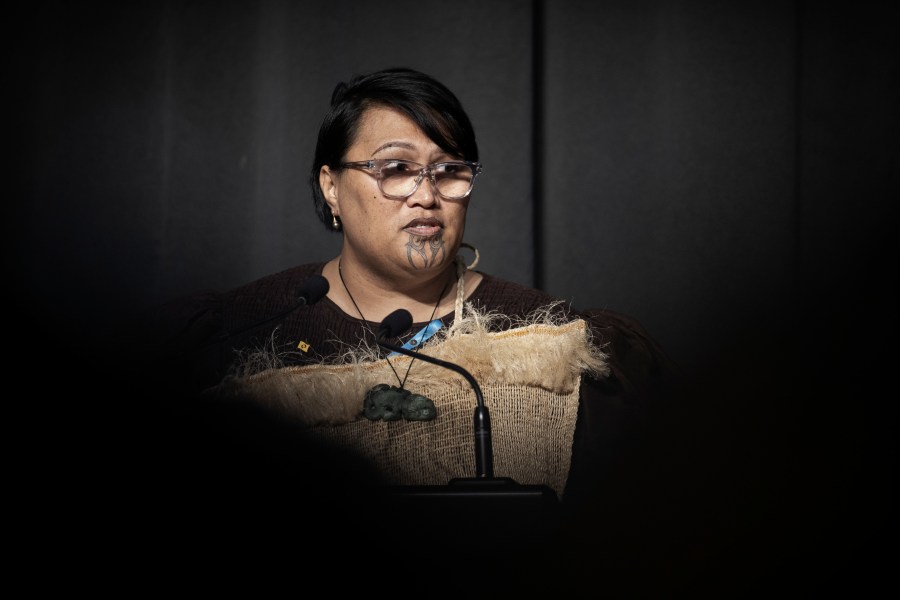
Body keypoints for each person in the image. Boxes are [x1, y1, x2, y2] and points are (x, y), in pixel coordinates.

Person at [138, 67, 678, 593]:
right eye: (396, 169)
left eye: (449, 171)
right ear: (331, 186)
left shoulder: (556, 341)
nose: (427, 195)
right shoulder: (241, 330)